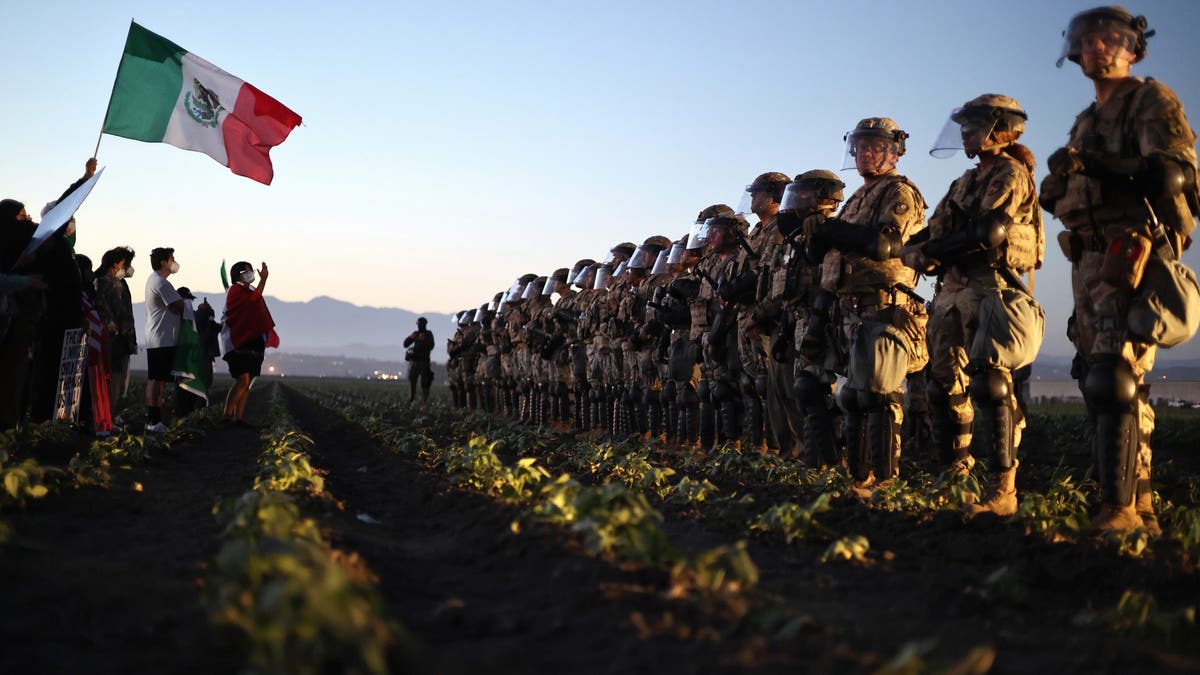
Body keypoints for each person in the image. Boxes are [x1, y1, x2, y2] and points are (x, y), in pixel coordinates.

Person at [1040, 6, 1198, 532]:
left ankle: (1121, 511)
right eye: (1087, 40)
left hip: (1128, 252)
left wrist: (1096, 164)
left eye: (1109, 39)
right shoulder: (1085, 120)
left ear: (1134, 47)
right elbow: (1061, 197)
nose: (1097, 48)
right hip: (1086, 257)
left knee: (1115, 377)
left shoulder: (1149, 99)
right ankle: (1139, 505)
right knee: (1099, 378)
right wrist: (1060, 177)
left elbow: (1172, 174)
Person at [906, 94, 1045, 517]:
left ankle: (1003, 489)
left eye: (972, 125)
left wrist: (933, 252)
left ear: (998, 127)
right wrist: (914, 250)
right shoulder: (962, 182)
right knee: (941, 385)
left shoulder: (1010, 173)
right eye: (962, 126)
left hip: (991, 286)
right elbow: (930, 232)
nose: (964, 133)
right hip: (951, 291)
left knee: (991, 384)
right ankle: (954, 478)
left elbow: (988, 230)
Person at [810, 117, 928, 497]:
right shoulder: (857, 200)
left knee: (880, 396)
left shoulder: (899, 192)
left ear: (894, 152)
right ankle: (859, 481)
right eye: (860, 146)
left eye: (875, 146)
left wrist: (831, 230)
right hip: (852, 309)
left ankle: (886, 484)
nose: (865, 153)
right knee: (854, 397)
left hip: (885, 305)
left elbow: (884, 245)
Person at [222, 261, 278, 425]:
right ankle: (227, 414)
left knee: (248, 381)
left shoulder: (249, 290)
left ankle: (238, 417)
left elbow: (257, 307)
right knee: (243, 380)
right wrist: (263, 280)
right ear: (239, 274)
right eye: (248, 271)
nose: (252, 273)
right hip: (238, 340)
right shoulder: (236, 290)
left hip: (254, 341)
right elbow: (252, 302)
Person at [94, 246, 137, 424]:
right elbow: (102, 309)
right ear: (115, 264)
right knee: (111, 377)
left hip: (122, 338)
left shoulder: (121, 283)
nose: (127, 268)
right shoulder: (102, 283)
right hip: (110, 338)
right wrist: (113, 327)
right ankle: (106, 415)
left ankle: (112, 412)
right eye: (125, 263)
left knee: (119, 378)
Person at [404, 317, 435, 402]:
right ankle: (411, 398)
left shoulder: (428, 334)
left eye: (421, 324)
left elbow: (431, 346)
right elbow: (405, 344)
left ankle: (424, 400)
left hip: (424, 362)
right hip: (414, 362)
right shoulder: (415, 334)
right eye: (418, 324)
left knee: (425, 383)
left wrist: (422, 340)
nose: (419, 326)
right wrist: (411, 338)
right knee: (412, 381)